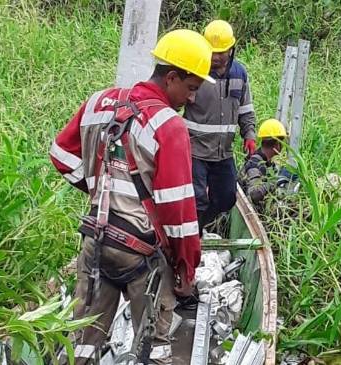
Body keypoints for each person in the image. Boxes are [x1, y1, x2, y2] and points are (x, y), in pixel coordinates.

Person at [50, 29, 212, 365]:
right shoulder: (169, 125)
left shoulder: (98, 102)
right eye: (191, 88)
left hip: (96, 241)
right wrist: (187, 269)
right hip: (141, 255)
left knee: (81, 340)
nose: (192, 99)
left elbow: (61, 153)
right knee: (154, 349)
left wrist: (97, 187)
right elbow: (178, 214)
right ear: (171, 78)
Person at [183, 20, 257, 234]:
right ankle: (191, 239)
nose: (215, 57)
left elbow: (246, 108)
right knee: (196, 200)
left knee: (226, 198)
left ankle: (200, 227)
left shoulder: (239, 74)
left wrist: (249, 134)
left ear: (231, 49)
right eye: (212, 51)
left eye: (221, 52)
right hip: (195, 149)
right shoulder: (195, 72)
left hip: (223, 152)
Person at [238, 119, 298, 206]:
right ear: (278, 144)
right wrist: (278, 180)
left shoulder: (267, 162)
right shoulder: (255, 165)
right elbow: (254, 195)